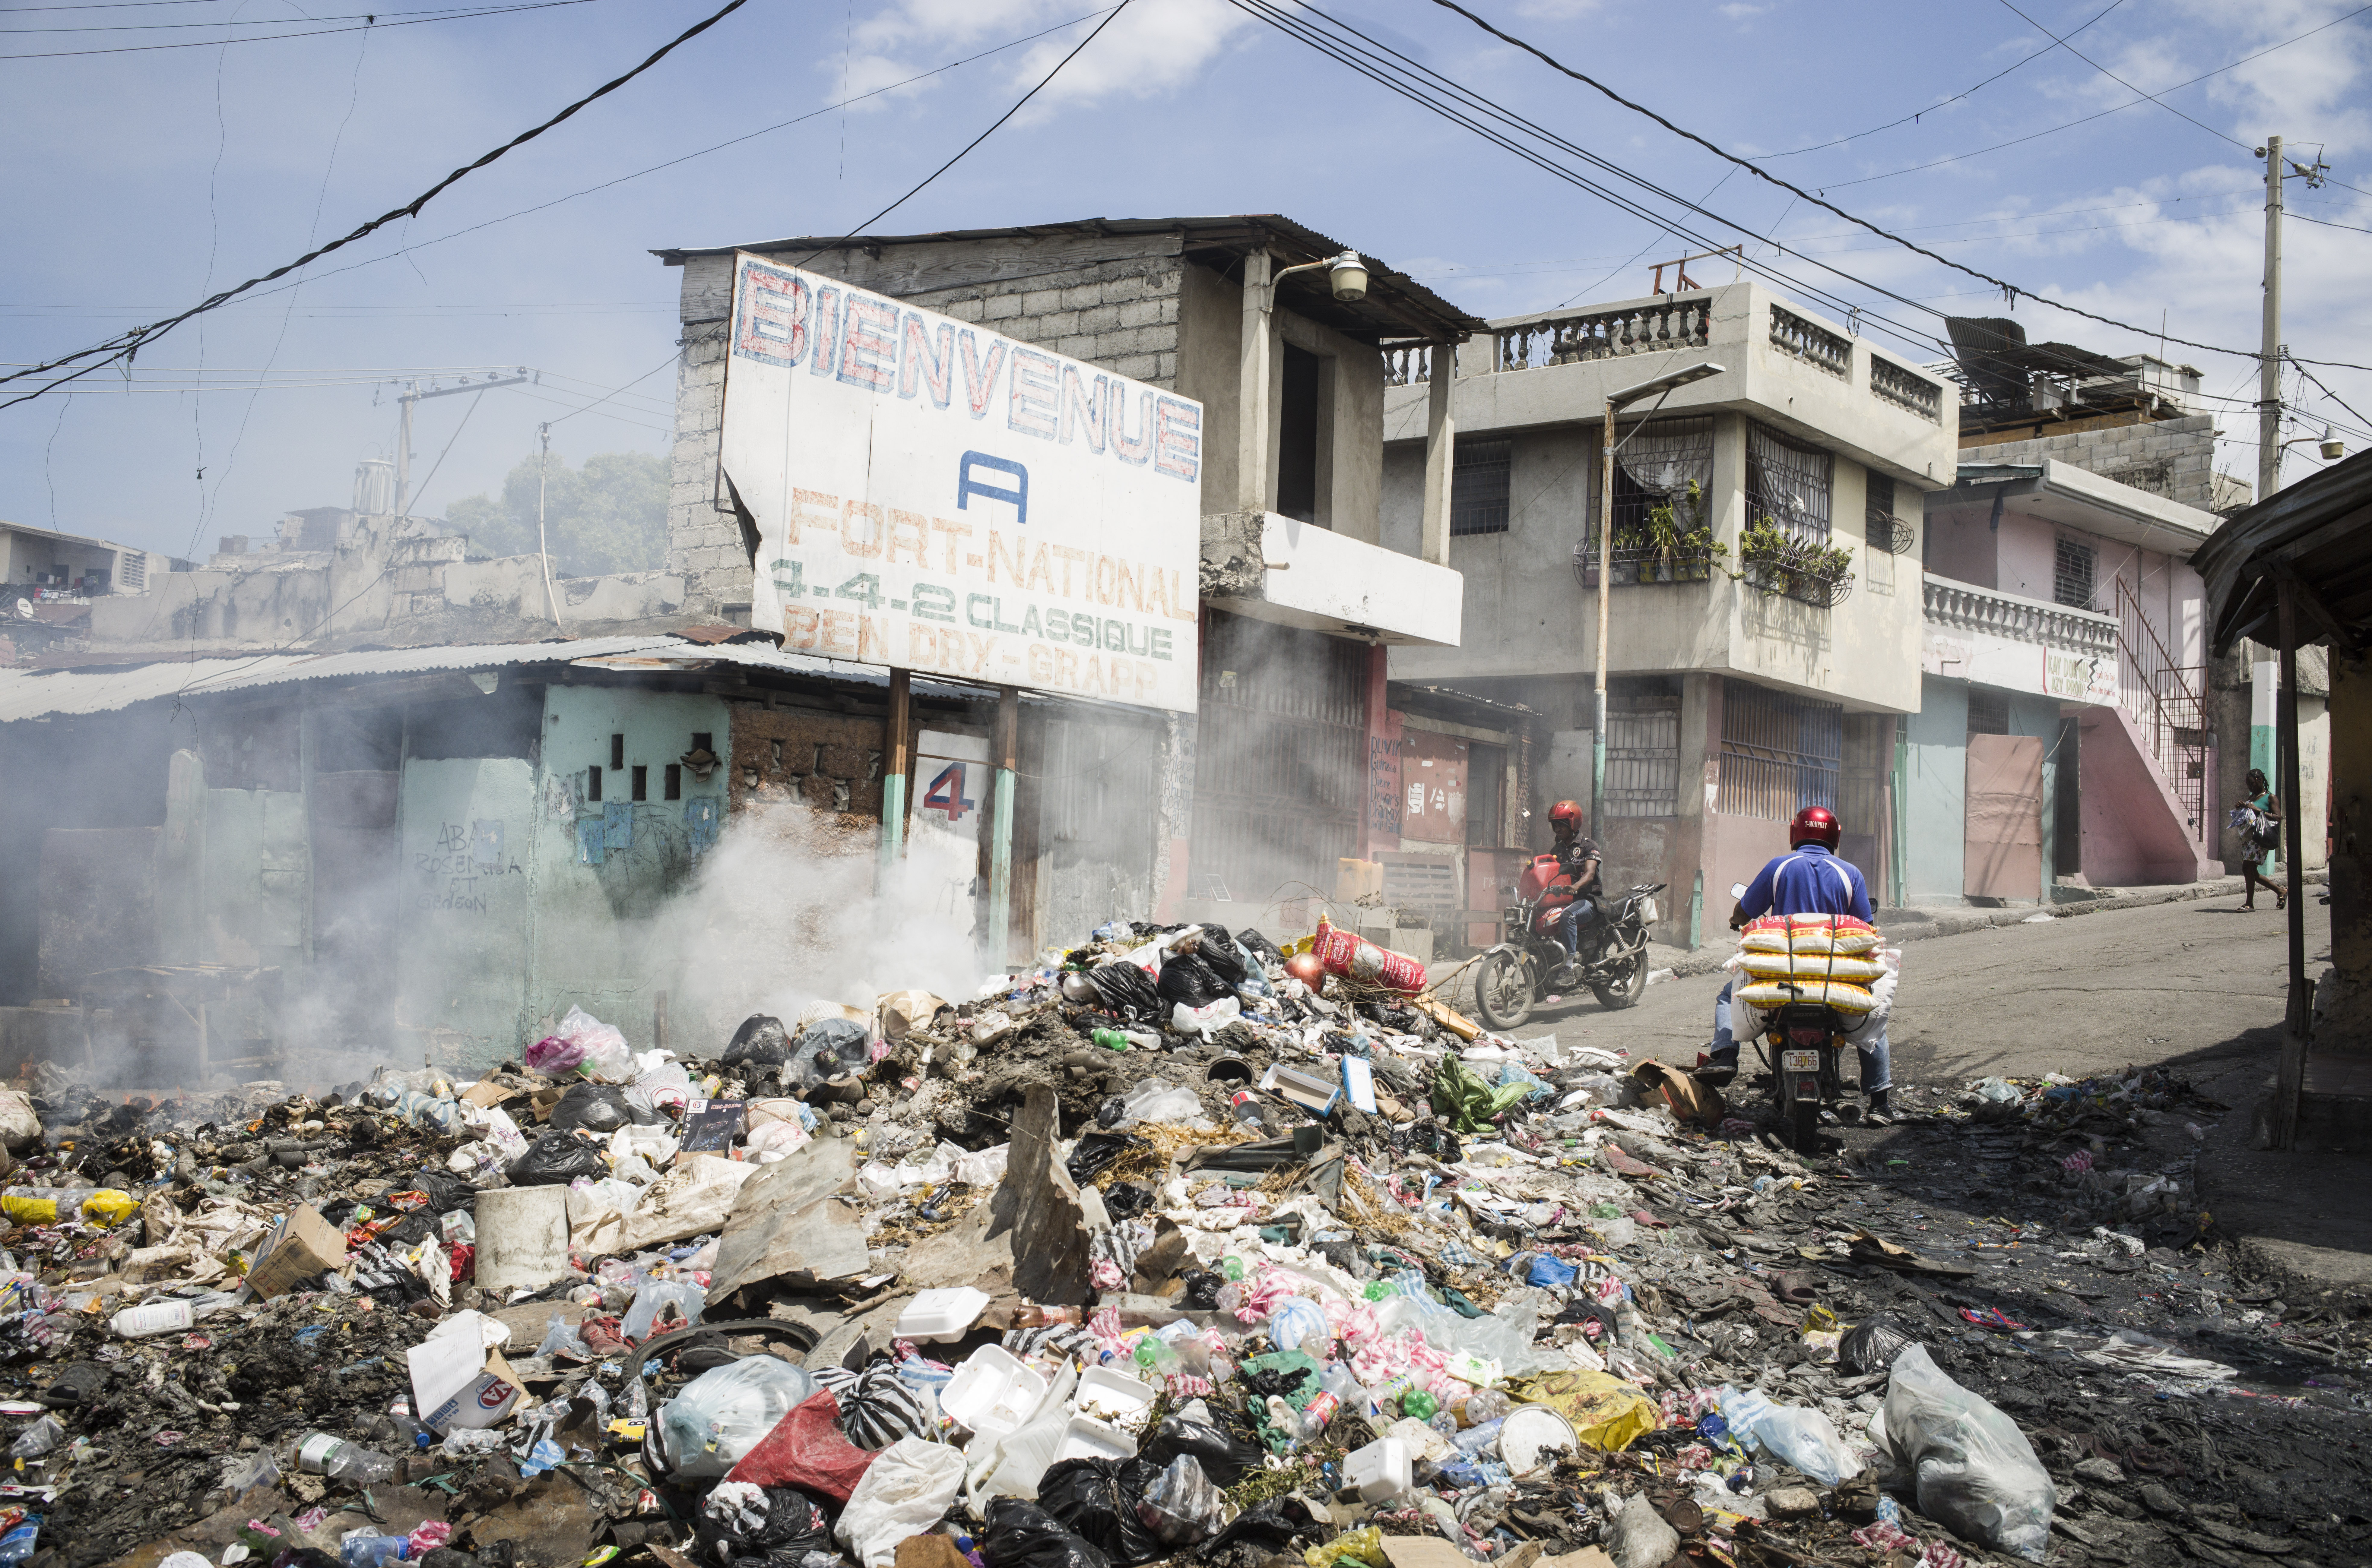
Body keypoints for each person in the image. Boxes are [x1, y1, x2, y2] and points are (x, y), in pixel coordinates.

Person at [1697, 805, 1892, 1123]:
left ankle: (1726, 1055)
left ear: (1795, 832)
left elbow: (1745, 912)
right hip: (1835, 976)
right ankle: (1881, 1103)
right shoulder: (1850, 873)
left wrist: (1736, 920)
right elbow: (1864, 926)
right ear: (1835, 835)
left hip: (1782, 974)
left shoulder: (1779, 866)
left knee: (1727, 996)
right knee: (1872, 1018)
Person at [1543, 800, 1603, 981]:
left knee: (1568, 916)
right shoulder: (1556, 850)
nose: (1557, 829)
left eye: (1561, 825)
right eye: (1555, 825)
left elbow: (1590, 874)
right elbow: (1548, 874)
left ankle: (1568, 967)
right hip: (1567, 900)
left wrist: (1576, 887)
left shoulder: (1588, 846)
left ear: (1573, 823)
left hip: (1589, 900)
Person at [2238, 767, 2286, 912]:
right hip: (2249, 838)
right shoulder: (2252, 798)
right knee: (2252, 871)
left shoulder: (2270, 798)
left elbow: (2279, 818)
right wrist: (2241, 808)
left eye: (2252, 784)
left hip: (2261, 838)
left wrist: (2259, 811)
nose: (2251, 787)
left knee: (2247, 867)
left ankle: (2249, 904)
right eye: (2249, 785)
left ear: (2260, 780)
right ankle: (2281, 891)